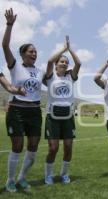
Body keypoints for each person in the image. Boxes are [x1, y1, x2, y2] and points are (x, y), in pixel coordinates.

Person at [3, 8, 45, 192]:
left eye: (35, 52)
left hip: (35, 111)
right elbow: (5, 46)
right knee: (17, 146)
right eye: (30, 51)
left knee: (33, 148)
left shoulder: (40, 71)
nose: (34, 54)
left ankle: (22, 178)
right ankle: (10, 180)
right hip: (16, 110)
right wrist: (9, 25)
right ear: (22, 54)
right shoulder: (15, 66)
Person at [43, 36, 81, 185]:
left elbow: (79, 63)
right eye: (62, 61)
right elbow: (49, 61)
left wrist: (70, 49)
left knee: (68, 147)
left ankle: (64, 174)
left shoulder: (70, 77)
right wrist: (62, 50)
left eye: (66, 62)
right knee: (53, 148)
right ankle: (48, 175)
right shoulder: (50, 77)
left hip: (68, 116)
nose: (64, 64)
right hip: (53, 116)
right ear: (57, 64)